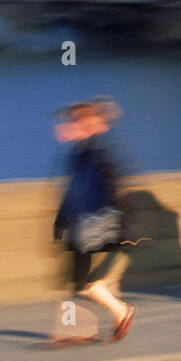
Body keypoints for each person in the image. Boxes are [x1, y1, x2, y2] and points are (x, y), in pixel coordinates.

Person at [52, 97, 134, 342]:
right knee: (80, 281)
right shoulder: (79, 153)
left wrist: (120, 220)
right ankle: (109, 309)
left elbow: (114, 184)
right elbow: (73, 189)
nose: (61, 129)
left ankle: (118, 311)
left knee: (81, 282)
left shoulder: (95, 152)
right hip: (85, 223)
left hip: (95, 224)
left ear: (81, 125)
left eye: (67, 124)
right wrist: (60, 219)